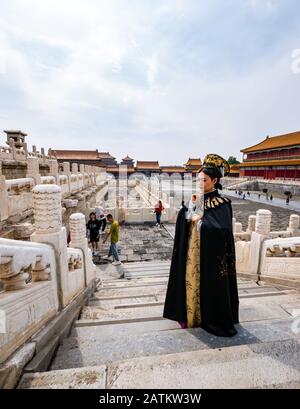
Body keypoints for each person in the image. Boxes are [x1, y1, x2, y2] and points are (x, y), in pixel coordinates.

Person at [163, 153, 239, 337]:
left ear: (215, 181)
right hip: (191, 256)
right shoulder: (196, 200)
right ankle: (187, 314)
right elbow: (183, 218)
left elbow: (222, 230)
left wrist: (201, 222)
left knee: (210, 290)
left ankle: (209, 317)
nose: (200, 184)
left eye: (204, 180)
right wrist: (190, 215)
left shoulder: (223, 203)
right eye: (198, 180)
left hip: (210, 260)